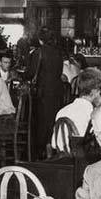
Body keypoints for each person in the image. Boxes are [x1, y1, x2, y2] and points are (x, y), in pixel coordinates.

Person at [25, 28, 64, 158]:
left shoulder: (38, 52)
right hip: (57, 92)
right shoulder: (59, 52)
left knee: (41, 122)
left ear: (40, 39)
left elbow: (30, 73)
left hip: (42, 92)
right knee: (52, 120)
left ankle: (40, 152)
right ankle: (51, 147)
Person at [50, 67, 101, 153]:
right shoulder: (92, 114)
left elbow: (54, 143)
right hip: (83, 161)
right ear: (94, 92)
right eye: (100, 92)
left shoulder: (62, 111)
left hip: (60, 159)